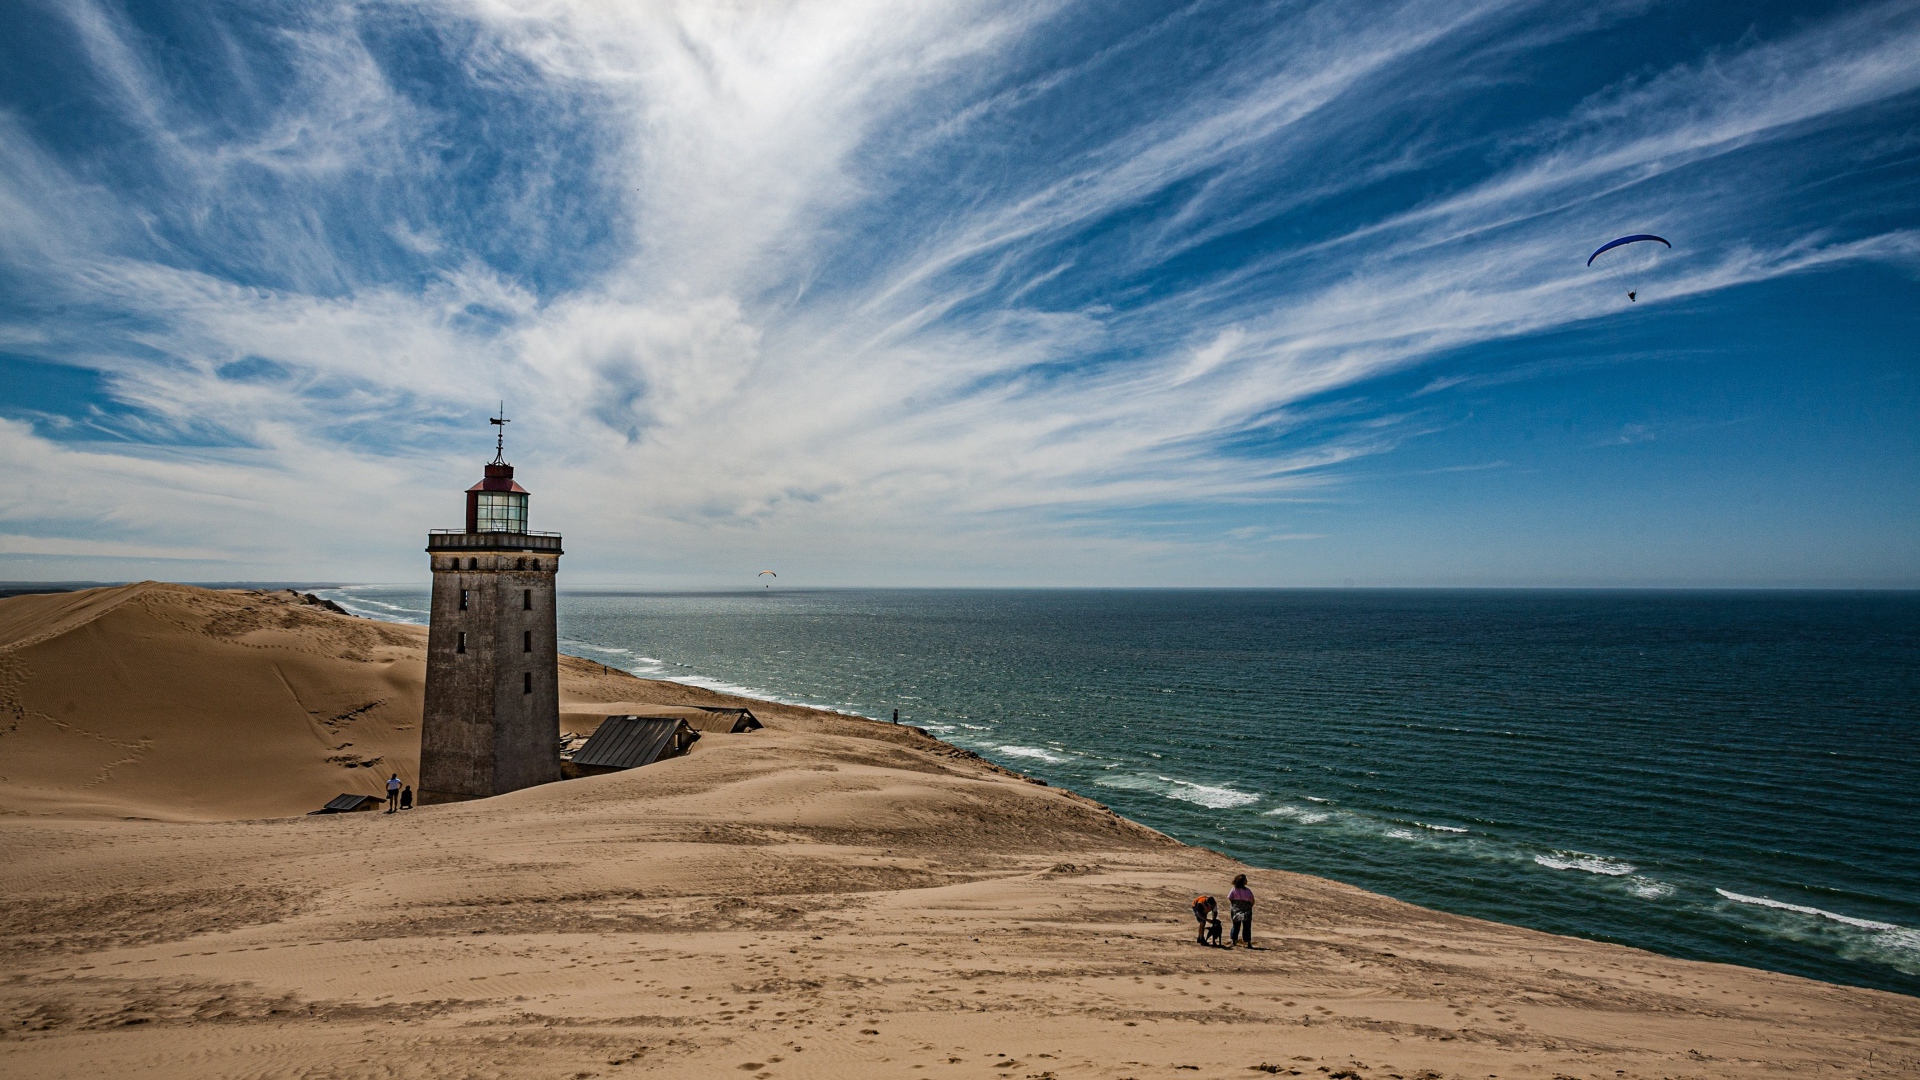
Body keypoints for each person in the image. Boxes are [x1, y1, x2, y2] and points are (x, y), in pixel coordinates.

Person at [1227, 873, 1254, 948]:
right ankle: (1248, 941)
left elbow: (1230, 898)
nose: (1247, 881)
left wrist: (1234, 904)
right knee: (1247, 926)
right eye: (1246, 880)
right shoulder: (1247, 891)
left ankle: (1234, 940)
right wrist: (1250, 906)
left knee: (1236, 925)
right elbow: (1252, 900)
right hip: (1246, 909)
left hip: (1236, 909)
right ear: (1243, 882)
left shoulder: (1234, 889)